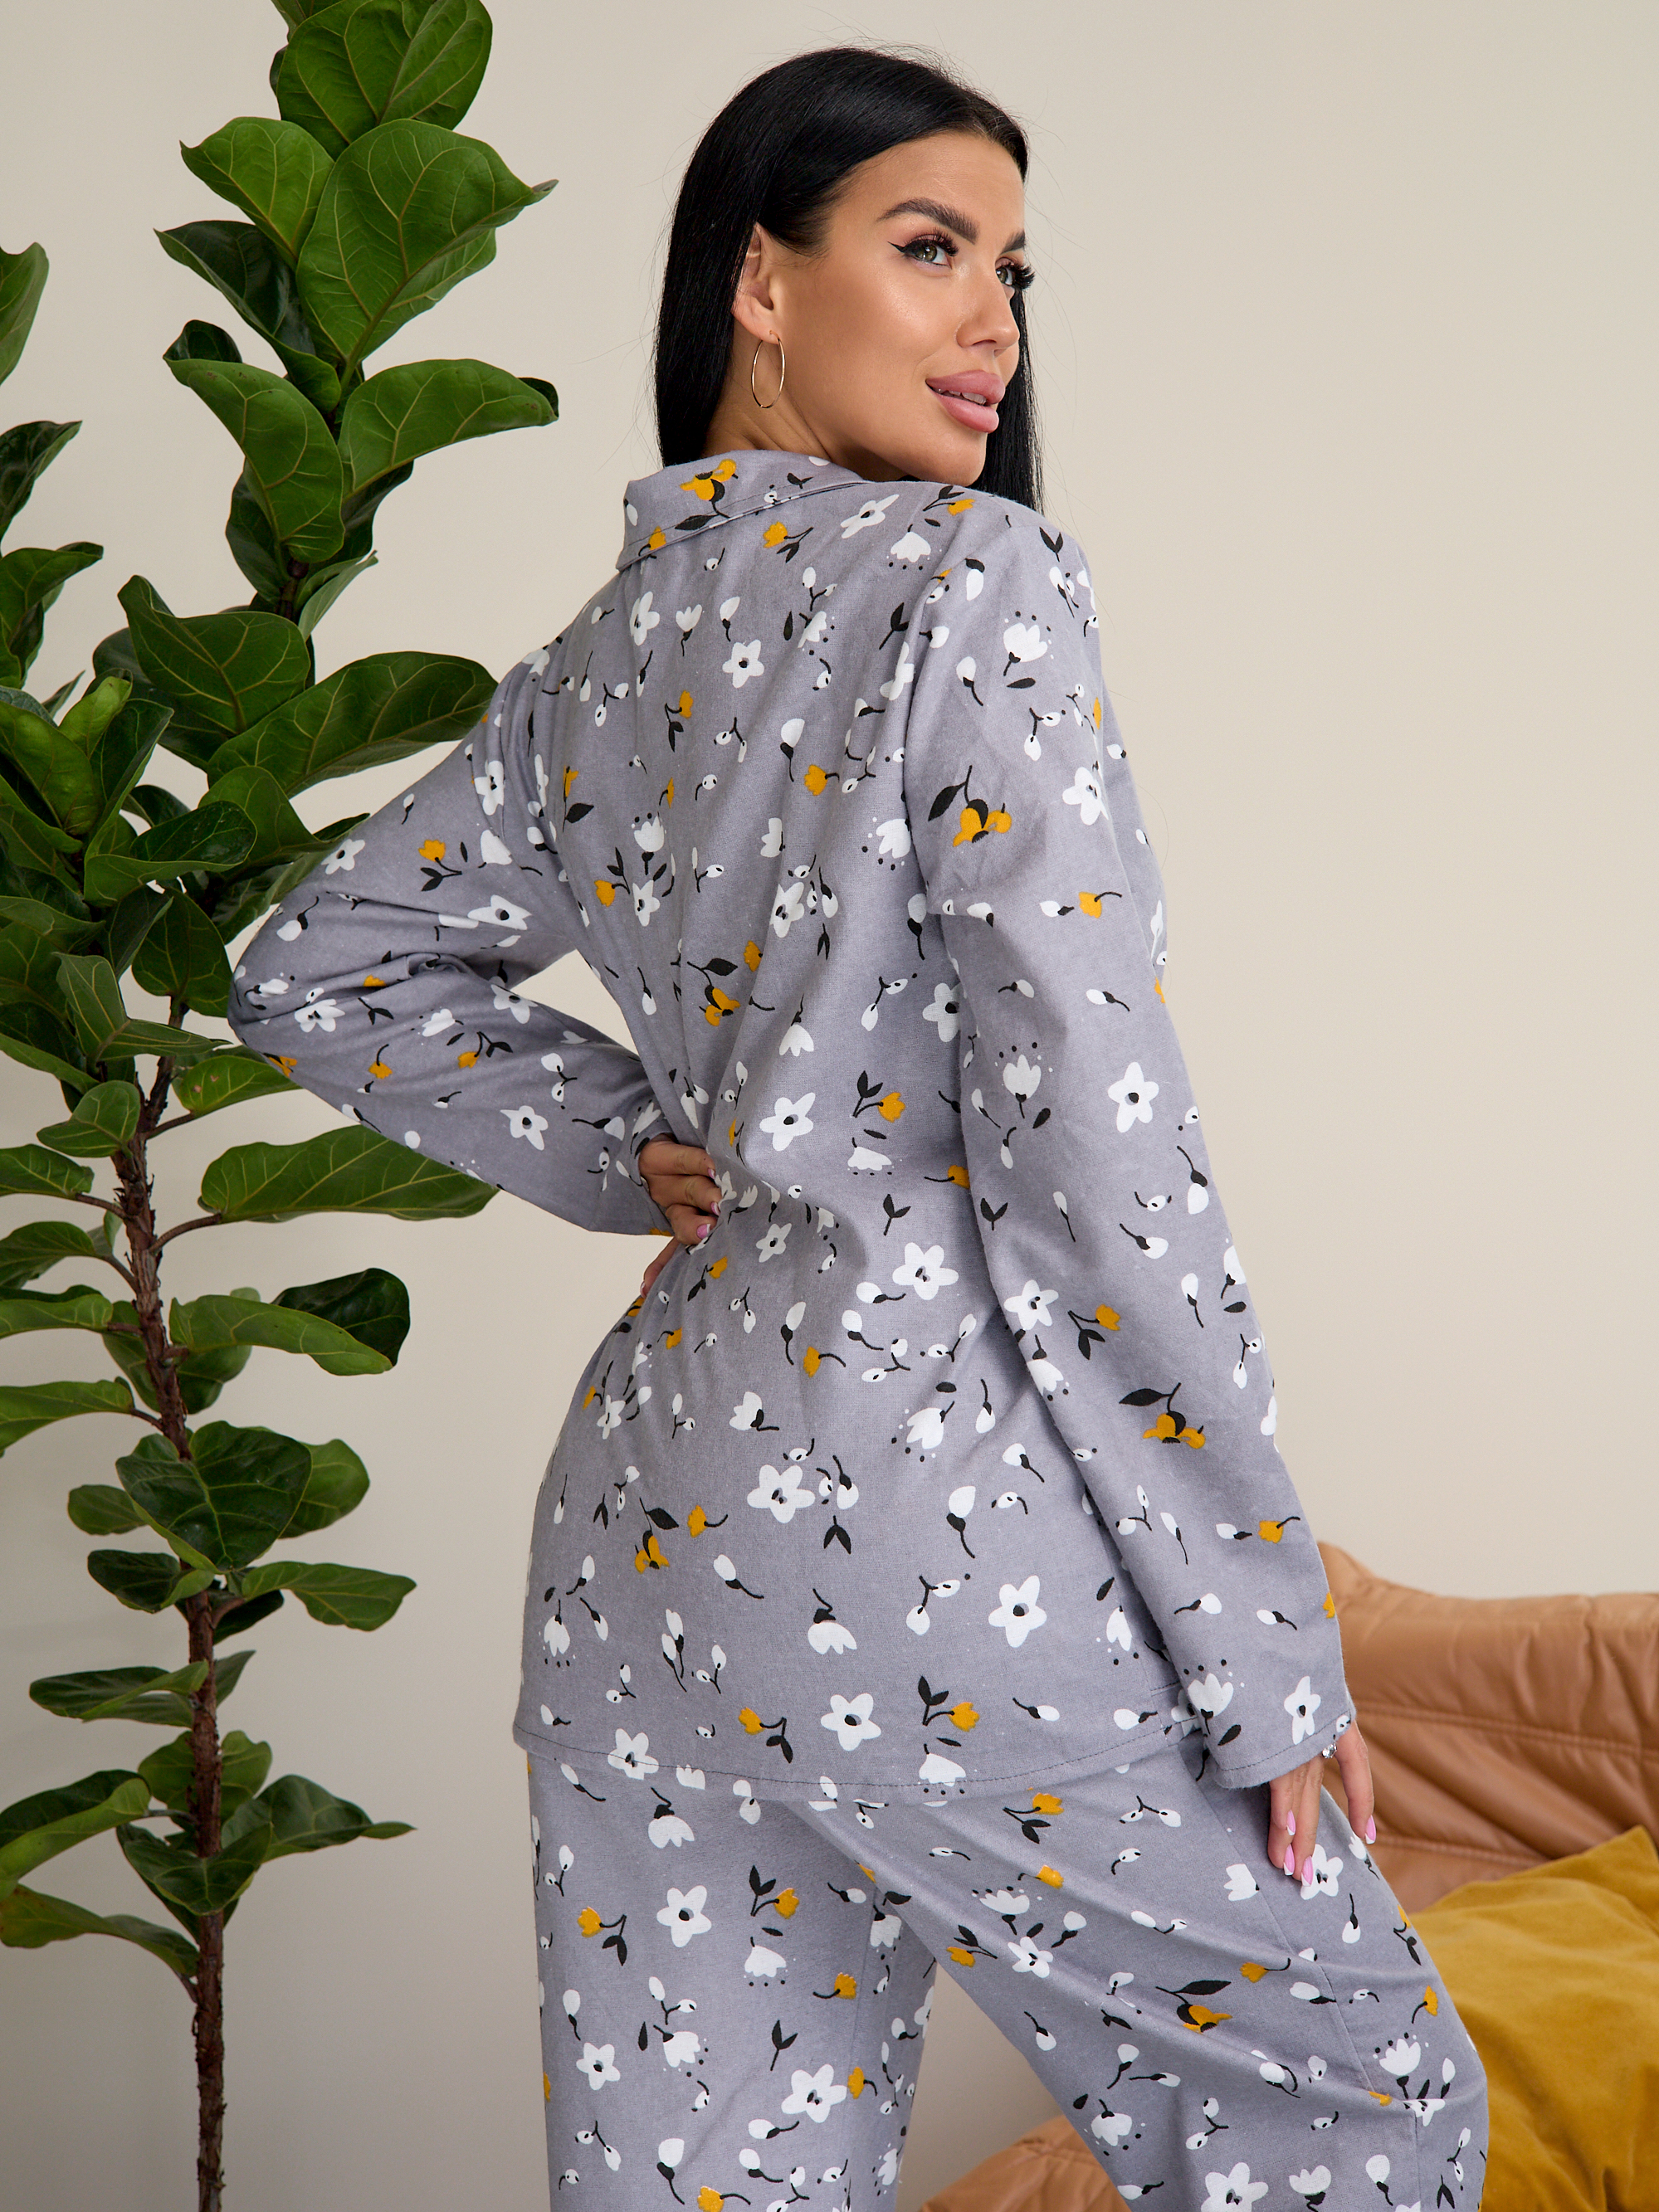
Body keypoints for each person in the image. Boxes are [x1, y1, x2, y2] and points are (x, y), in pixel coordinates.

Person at [227, 44, 1487, 2212]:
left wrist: (631, 1148)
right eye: (931, 247)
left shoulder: (608, 656)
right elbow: (1098, 1162)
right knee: (1364, 2114)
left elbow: (311, 966)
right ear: (761, 281)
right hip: (941, 1535)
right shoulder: (971, 586)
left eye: (1014, 269)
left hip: (648, 1569)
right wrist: (1267, 1650)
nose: (994, 318)